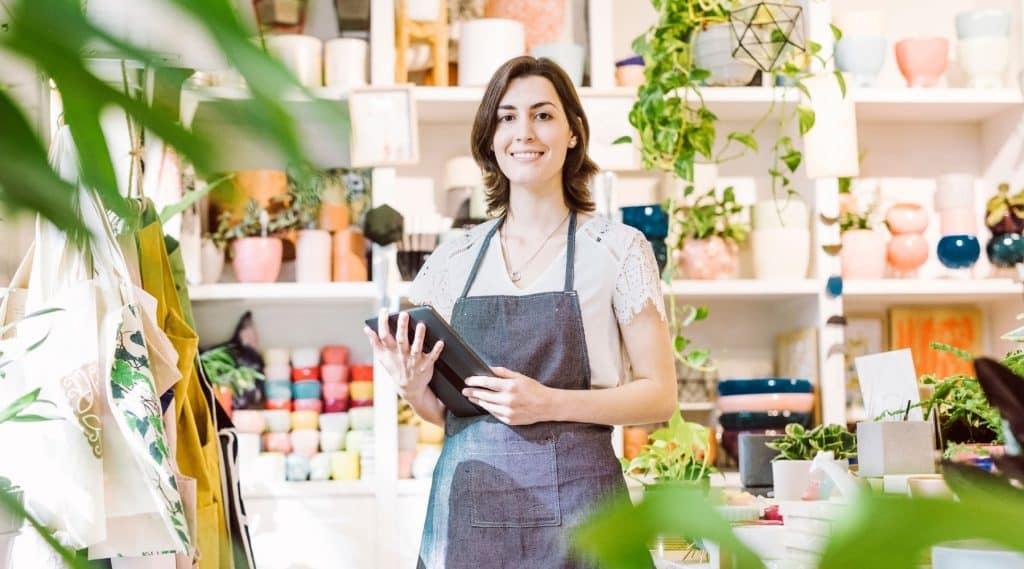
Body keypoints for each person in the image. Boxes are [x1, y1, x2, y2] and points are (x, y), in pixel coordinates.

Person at [364, 56, 676, 568]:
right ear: (491, 139)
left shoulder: (618, 249)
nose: (523, 132)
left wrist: (548, 403)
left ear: (573, 133)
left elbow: (659, 395)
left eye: (543, 115)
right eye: (507, 117)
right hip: (469, 517)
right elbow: (447, 415)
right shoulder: (452, 262)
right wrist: (414, 386)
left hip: (586, 516)